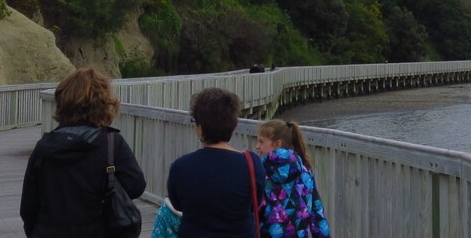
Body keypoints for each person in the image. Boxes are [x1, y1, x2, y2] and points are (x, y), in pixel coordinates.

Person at [20, 68, 146, 237]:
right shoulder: (110, 143)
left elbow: (28, 207)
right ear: (104, 103)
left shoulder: (44, 147)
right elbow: (136, 186)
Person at [167, 88, 265, 238]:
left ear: (200, 128)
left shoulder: (181, 167)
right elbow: (255, 202)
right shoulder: (252, 164)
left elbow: (177, 205)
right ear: (232, 124)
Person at [256, 120, 331, 238]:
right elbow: (317, 216)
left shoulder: (262, 175)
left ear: (277, 144)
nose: (257, 146)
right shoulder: (305, 173)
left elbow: (252, 215)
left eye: (261, 142)